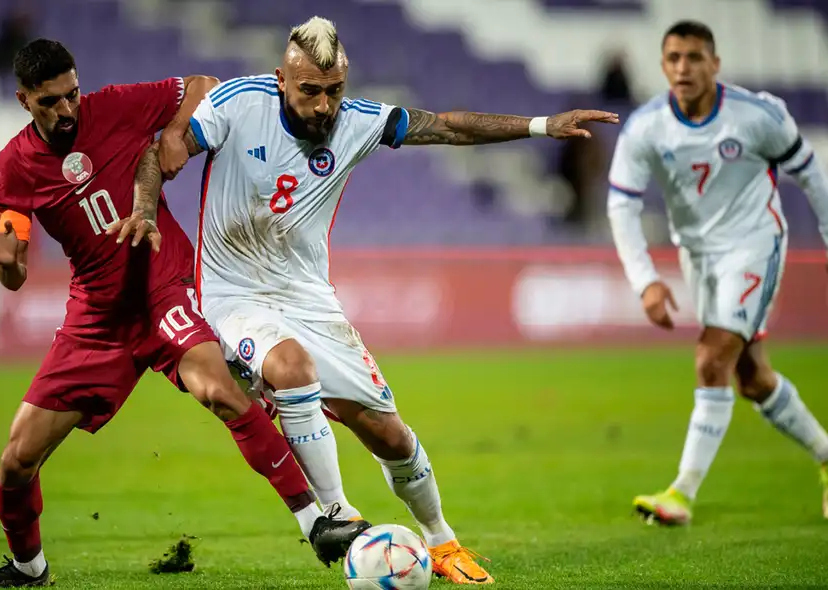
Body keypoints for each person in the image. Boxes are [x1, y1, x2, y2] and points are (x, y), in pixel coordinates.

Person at [110, 16, 617, 584]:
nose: (324, 105)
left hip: (309, 298)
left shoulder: (358, 122)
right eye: (310, 91)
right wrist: (146, 207)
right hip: (233, 293)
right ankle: (337, 516)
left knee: (391, 435)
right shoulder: (238, 104)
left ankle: (443, 543)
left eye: (334, 91)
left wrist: (543, 125)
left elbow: (448, 128)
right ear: (282, 80)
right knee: (291, 367)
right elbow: (160, 150)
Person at [0, 39, 368, 588]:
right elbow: (16, 270)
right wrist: (8, 264)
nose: (66, 110)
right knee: (16, 460)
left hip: (163, 287)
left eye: (71, 95)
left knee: (220, 392)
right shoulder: (14, 167)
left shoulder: (115, 105)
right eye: (50, 102)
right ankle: (27, 568)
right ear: (23, 100)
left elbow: (202, 87)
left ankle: (315, 521)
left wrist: (173, 135)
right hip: (97, 319)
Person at [606, 20, 828, 525]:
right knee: (751, 378)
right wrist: (646, 281)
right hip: (698, 255)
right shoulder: (645, 127)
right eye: (674, 58)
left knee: (711, 359)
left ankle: (681, 493)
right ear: (663, 66)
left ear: (715, 63)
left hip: (754, 244)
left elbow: (810, 171)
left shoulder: (757, 116)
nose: (684, 68)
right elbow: (621, 206)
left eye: (694, 57)